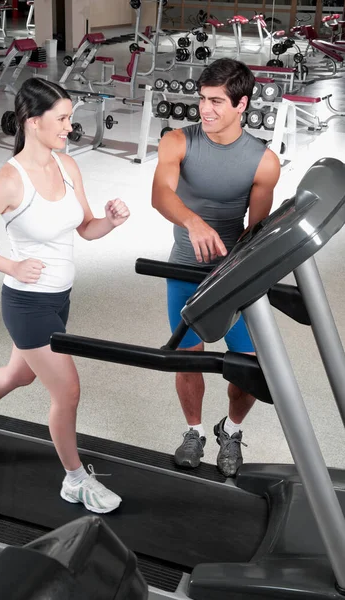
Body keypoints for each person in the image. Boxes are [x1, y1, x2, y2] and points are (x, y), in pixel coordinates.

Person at [0, 78, 130, 513]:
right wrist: (10, 266)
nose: (70, 126)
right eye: (62, 118)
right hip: (27, 304)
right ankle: (74, 479)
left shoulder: (67, 166)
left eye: (70, 117)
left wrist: (110, 221)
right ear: (33, 122)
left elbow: (86, 229)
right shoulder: (11, 181)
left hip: (59, 298)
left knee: (19, 374)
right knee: (67, 391)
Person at [152, 58, 280, 477]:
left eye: (216, 102)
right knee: (188, 358)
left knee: (248, 365)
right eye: (202, 99)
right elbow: (160, 196)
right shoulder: (178, 140)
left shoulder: (263, 161)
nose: (205, 109)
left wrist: (234, 266)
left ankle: (232, 429)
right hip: (185, 269)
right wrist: (193, 222)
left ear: (242, 104)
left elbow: (255, 231)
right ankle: (194, 431)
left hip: (233, 275)